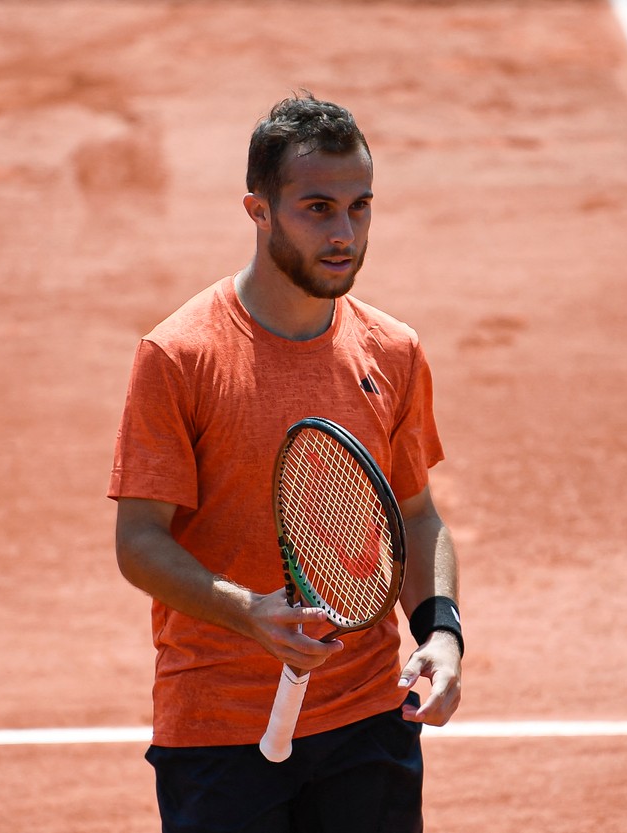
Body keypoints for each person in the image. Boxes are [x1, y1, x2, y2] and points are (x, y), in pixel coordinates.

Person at [109, 92, 463, 833]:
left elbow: (416, 513)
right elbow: (139, 541)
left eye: (360, 207)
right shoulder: (180, 355)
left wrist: (440, 632)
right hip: (218, 725)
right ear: (258, 210)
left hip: (367, 714)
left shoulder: (393, 351)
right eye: (317, 208)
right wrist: (250, 612)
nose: (345, 233)